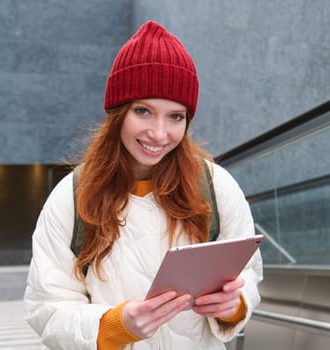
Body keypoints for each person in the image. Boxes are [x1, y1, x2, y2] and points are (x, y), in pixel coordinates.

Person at [24, 20, 263, 350]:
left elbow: (249, 273)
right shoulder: (72, 196)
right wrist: (115, 325)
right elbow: (45, 309)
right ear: (118, 113)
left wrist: (234, 306)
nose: (159, 133)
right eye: (143, 111)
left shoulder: (215, 185)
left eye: (175, 116)